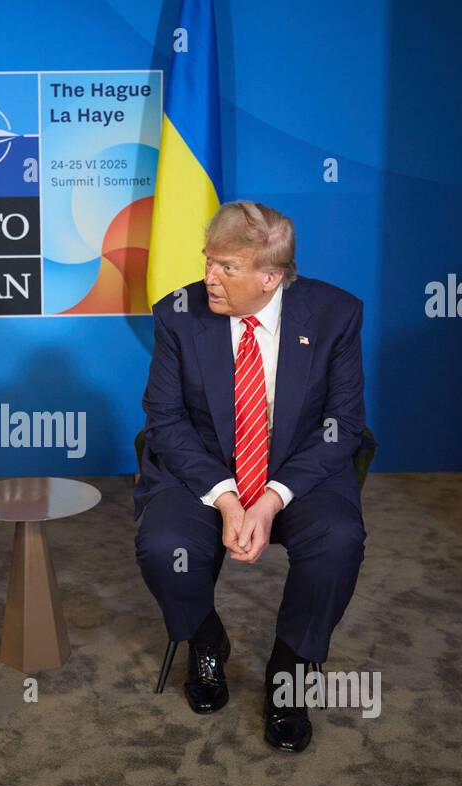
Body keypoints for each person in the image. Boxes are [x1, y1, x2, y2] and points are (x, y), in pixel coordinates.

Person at [134, 201, 368, 753]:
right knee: (163, 545)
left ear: (272, 276)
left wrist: (270, 499)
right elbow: (165, 420)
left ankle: (288, 672)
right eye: (208, 261)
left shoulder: (336, 314)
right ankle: (207, 639)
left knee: (339, 542)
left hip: (297, 472)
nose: (209, 277)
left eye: (226, 268)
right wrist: (227, 499)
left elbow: (342, 424)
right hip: (205, 468)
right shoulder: (178, 313)